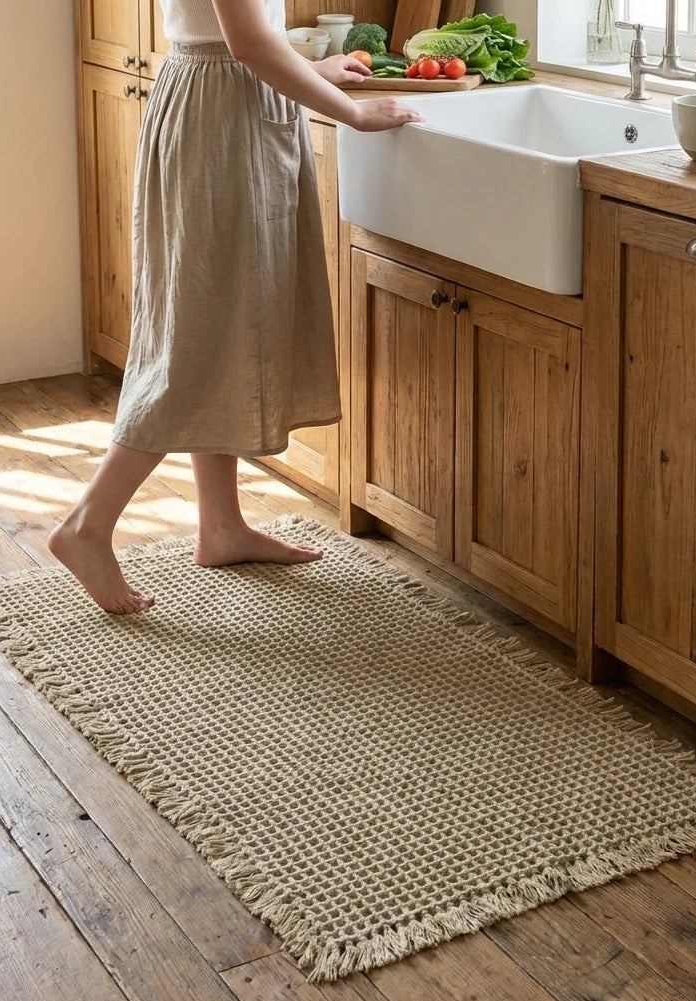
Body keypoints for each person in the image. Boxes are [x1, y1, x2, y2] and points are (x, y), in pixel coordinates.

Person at [48, 0, 423, 613]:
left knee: (216, 328)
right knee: (195, 343)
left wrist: (314, 74)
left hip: (223, 100)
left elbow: (234, 35)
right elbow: (244, 41)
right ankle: (87, 527)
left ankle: (221, 526)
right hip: (222, 116)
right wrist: (352, 112)